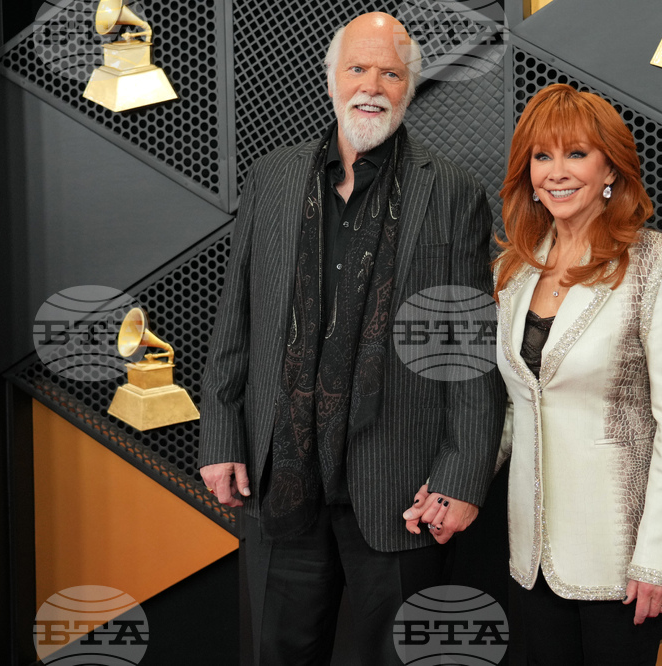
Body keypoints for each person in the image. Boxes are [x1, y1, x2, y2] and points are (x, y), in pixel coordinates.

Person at [199, 12, 505, 665]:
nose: (373, 84)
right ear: (332, 79)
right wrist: (221, 437)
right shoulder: (271, 179)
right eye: (358, 68)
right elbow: (236, 322)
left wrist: (462, 473)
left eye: (391, 72)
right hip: (281, 476)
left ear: (409, 86)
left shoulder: (452, 190)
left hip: (403, 486)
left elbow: (471, 348)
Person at [492, 83, 662, 664]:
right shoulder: (514, 270)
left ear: (610, 165)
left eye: (575, 154)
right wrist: (456, 477)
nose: (556, 173)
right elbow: (518, 406)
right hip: (530, 554)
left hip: (622, 556)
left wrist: (659, 556)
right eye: (541, 157)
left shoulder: (659, 262)